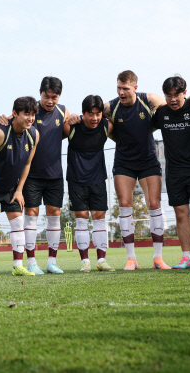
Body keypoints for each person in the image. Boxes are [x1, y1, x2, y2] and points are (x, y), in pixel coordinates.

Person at [104, 70, 190, 271]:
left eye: (125, 88)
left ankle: (158, 258)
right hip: (124, 162)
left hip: (148, 161)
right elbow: (92, 115)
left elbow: (175, 107)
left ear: (135, 87)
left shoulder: (150, 100)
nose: (121, 92)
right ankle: (131, 259)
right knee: (125, 205)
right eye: (119, 88)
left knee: (155, 204)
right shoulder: (110, 107)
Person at [0, 77, 68, 275]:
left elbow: (66, 130)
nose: (50, 101)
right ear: (40, 93)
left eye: (54, 97)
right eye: (47, 96)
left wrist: (74, 119)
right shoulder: (30, 111)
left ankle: (52, 262)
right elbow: (10, 123)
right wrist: (2, 120)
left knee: (54, 214)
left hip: (55, 174)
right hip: (31, 175)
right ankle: (31, 262)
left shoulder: (63, 111)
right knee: (31, 216)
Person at [151, 76, 190, 269]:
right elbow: (142, 127)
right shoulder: (161, 113)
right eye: (168, 95)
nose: (173, 99)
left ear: (184, 93)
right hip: (174, 171)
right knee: (180, 214)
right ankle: (187, 258)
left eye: (177, 95)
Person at [0, 97, 39, 276]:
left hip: (11, 188)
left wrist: (19, 190)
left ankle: (18, 266)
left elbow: (27, 164)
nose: (30, 118)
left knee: (18, 222)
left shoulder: (34, 134)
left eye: (33, 114)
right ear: (14, 113)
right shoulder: (0, 133)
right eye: (26, 114)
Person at [64, 95, 114, 272]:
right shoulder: (71, 127)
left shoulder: (107, 126)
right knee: (82, 219)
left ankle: (102, 260)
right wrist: (71, 116)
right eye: (90, 114)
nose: (94, 118)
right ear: (83, 113)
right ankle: (85, 261)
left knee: (100, 218)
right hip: (76, 180)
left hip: (98, 178)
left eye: (98, 114)